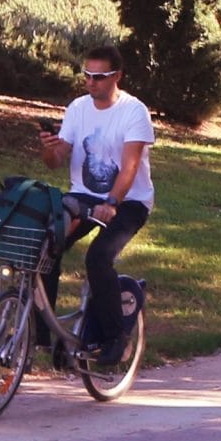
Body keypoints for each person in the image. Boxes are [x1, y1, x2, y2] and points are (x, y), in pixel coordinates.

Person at [36, 44, 154, 363]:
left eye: (99, 76)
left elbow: (129, 167)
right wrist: (50, 147)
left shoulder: (134, 112)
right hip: (83, 196)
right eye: (87, 75)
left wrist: (113, 202)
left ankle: (116, 338)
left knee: (98, 257)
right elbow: (56, 160)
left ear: (117, 76)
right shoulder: (77, 108)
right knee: (47, 245)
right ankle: (43, 337)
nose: (91, 82)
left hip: (128, 201)